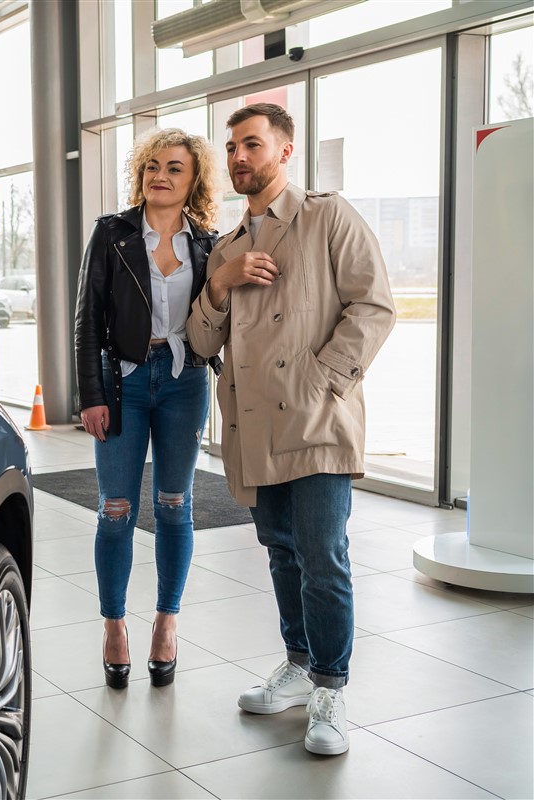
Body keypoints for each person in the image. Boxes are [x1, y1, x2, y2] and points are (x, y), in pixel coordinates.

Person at [186, 103, 395, 755]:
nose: (238, 157)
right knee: (281, 552)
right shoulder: (226, 246)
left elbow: (375, 305)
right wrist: (219, 284)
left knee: (322, 557)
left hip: (316, 421)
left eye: (252, 144)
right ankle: (300, 666)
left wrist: (323, 380)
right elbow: (199, 341)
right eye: (232, 147)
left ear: (285, 151)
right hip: (254, 430)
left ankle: (331, 684)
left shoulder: (328, 217)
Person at [75, 128, 221, 690]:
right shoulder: (111, 234)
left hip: (184, 380)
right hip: (123, 382)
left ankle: (166, 620)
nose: (160, 175)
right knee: (115, 507)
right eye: (152, 165)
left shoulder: (206, 243)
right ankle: (114, 625)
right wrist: (90, 394)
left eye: (174, 168)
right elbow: (88, 318)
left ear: (193, 180)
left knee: (174, 503)